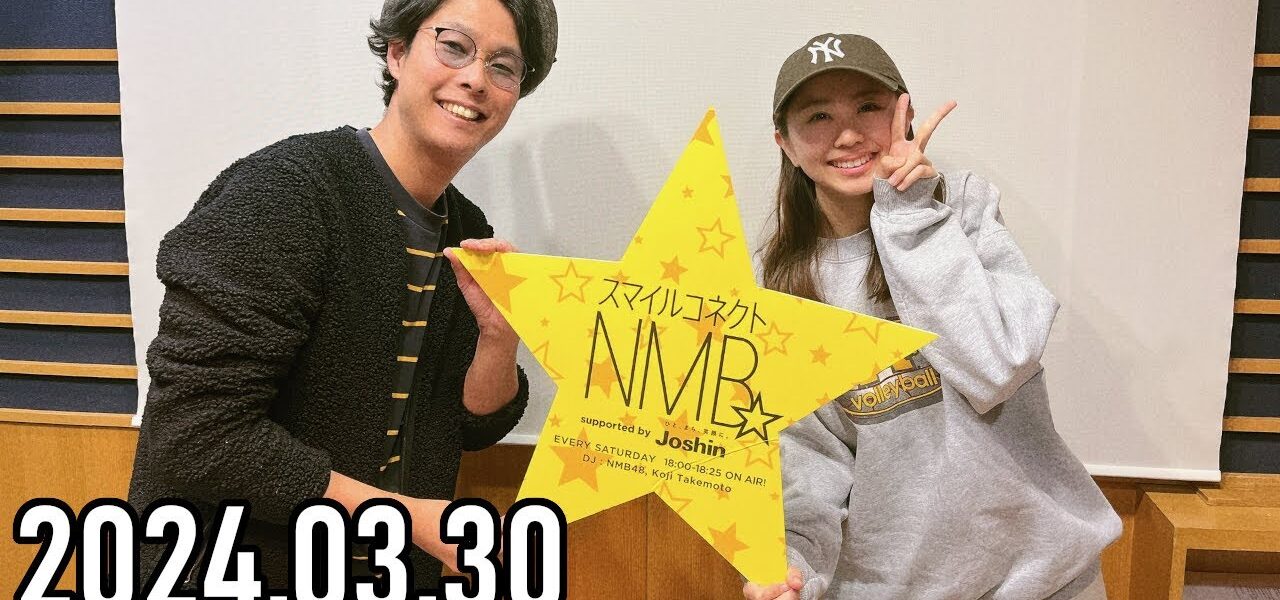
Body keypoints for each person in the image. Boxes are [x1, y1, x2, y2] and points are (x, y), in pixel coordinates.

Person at [127, 0, 557, 587]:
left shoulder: (466, 233)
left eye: (503, 66)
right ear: (397, 52)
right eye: (454, 46)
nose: (476, 79)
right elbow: (195, 434)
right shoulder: (284, 194)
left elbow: (473, 426)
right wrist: (404, 519)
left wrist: (499, 337)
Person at [744, 34, 1121, 600]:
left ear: (905, 112)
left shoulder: (964, 211)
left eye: (867, 106)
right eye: (819, 116)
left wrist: (907, 216)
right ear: (786, 143)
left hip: (1045, 580)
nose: (848, 134)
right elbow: (807, 460)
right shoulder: (781, 286)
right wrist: (793, 564)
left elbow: (997, 366)